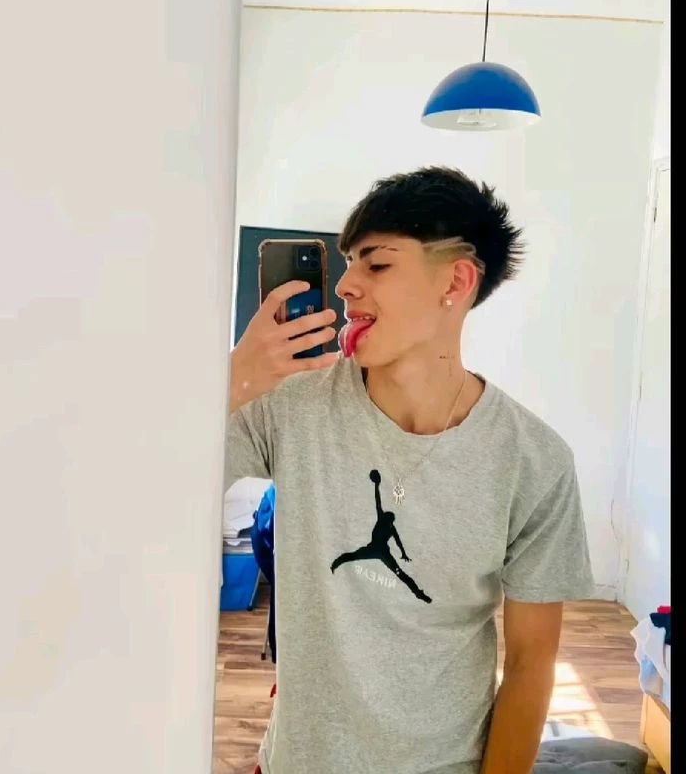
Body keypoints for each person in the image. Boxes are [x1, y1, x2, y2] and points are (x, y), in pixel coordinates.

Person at [227, 166, 594, 774]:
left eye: (376, 264)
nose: (347, 285)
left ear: (457, 281)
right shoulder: (289, 404)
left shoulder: (534, 460)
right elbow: (145, 483)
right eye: (348, 263)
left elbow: (532, 662)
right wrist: (232, 380)